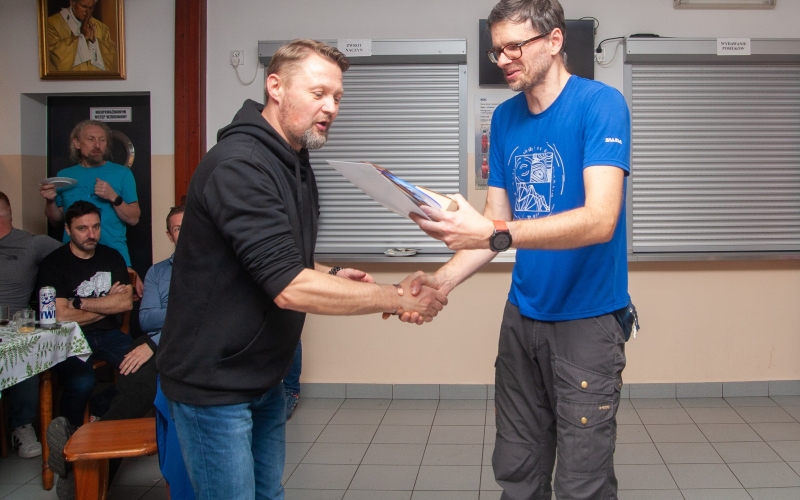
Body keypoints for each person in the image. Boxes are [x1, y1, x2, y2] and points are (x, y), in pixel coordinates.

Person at [156, 39, 447, 500]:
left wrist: (329, 274)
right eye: (318, 93)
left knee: (268, 495)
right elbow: (289, 286)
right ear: (275, 86)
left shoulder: (293, 158)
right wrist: (397, 297)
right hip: (215, 386)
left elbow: (272, 255)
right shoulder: (240, 165)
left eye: (337, 97)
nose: (331, 107)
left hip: (262, 376)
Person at [404, 1, 631, 498]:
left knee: (582, 483)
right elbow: (494, 223)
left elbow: (600, 219)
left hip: (587, 321)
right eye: (497, 50)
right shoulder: (505, 118)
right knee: (518, 469)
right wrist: (439, 282)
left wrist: (496, 233)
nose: (503, 59)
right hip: (522, 318)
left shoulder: (601, 104)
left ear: (554, 41)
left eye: (514, 47)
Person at [0, 191, 62, 458]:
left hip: (14, 325)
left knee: (25, 351)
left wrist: (124, 270)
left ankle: (22, 426)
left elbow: (77, 257)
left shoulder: (32, 243)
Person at [46, 0, 117, 73]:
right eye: (83, 6)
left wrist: (94, 42)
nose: (87, 11)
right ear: (72, 2)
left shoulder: (101, 28)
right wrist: (82, 38)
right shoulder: (52, 24)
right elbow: (54, 55)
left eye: (91, 8)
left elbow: (113, 57)